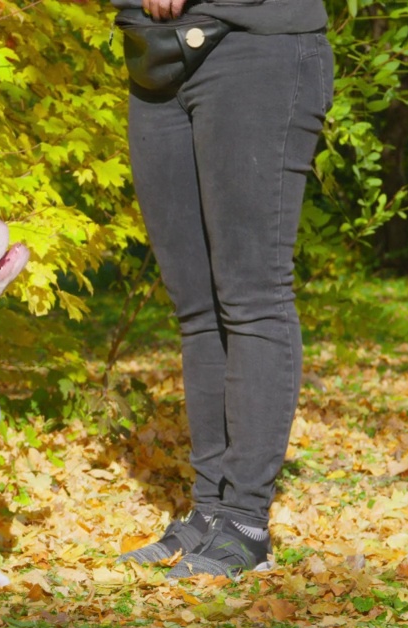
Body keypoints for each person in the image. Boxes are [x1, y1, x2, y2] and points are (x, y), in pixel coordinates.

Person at [113, 0, 333, 578]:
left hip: (256, 46)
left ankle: (246, 521)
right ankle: (210, 508)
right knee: (197, 309)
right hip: (156, 57)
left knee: (252, 296)